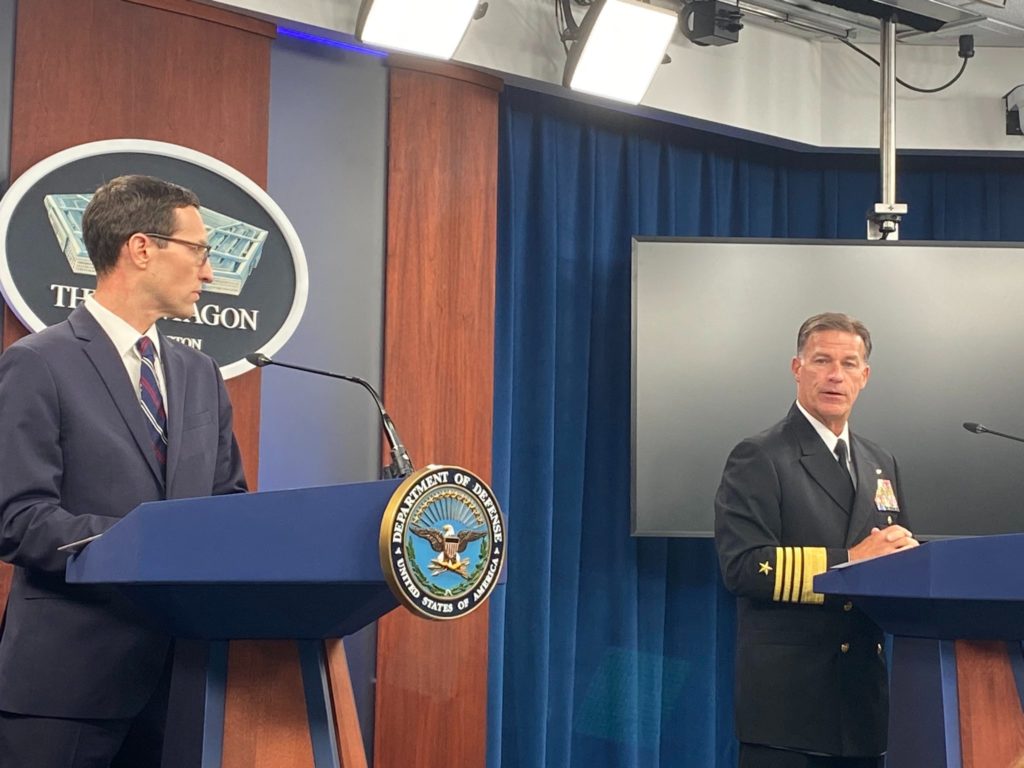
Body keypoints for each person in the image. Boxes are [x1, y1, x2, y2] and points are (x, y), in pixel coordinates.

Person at [0, 175, 248, 767]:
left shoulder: (199, 374)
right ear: (142, 248)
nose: (210, 273)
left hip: (181, 686)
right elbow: (20, 518)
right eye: (199, 251)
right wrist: (144, 545)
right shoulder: (38, 363)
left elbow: (229, 503)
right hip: (66, 685)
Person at [714, 312, 919, 768]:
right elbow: (743, 566)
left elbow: (891, 556)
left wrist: (910, 560)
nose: (835, 375)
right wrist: (850, 560)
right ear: (796, 368)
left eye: (849, 364)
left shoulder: (879, 460)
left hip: (863, 704)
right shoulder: (760, 455)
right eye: (822, 360)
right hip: (790, 709)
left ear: (864, 377)